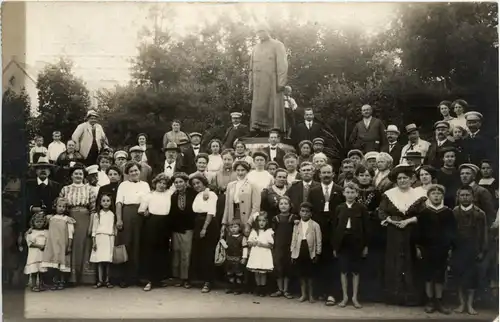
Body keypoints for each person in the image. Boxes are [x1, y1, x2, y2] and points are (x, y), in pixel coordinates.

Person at [378, 164, 426, 306]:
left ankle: (411, 297)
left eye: (405, 178)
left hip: (412, 232)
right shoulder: (389, 194)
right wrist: (390, 220)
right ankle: (394, 296)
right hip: (393, 232)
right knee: (394, 260)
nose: (402, 181)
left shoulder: (418, 195)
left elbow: (423, 215)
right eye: (399, 178)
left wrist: (409, 221)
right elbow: (381, 211)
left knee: (410, 260)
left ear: (411, 179)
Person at [415, 184, 456, 314]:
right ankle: (430, 301)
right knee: (428, 275)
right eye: (433, 194)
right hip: (427, 248)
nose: (436, 196)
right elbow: (418, 232)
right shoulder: (424, 213)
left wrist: (450, 247)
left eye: (439, 194)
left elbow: (452, 232)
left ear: (442, 196)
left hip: (442, 249)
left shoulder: (448, 212)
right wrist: (418, 248)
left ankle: (439, 300)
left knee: (439, 275)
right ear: (429, 196)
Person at [307, 164, 344, 306]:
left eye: (329, 172)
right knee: (319, 261)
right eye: (324, 173)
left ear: (333, 174)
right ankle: (321, 291)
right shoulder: (314, 191)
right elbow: (309, 210)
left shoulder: (340, 191)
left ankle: (333, 293)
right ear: (319, 175)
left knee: (334, 263)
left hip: (335, 232)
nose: (326, 175)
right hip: (319, 231)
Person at [58, 163, 97, 285]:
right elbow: (60, 205)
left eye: (80, 173)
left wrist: (91, 226)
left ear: (84, 175)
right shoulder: (65, 189)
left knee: (85, 244)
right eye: (76, 173)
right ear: (71, 175)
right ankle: (71, 277)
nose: (78, 176)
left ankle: (85, 277)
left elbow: (93, 209)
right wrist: (65, 218)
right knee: (71, 245)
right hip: (70, 218)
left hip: (85, 218)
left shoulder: (89, 189)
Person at [332, 183, 369, 309]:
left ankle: (354, 297)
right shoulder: (339, 208)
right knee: (343, 270)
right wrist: (335, 247)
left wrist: (365, 246)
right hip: (342, 243)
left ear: (357, 194)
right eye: (347, 192)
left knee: (355, 271)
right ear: (344, 193)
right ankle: (344, 297)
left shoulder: (361, 208)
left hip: (357, 243)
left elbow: (366, 229)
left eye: (353, 192)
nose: (350, 195)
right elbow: (335, 228)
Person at [451, 186, 488, 316]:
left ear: (472, 197)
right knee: (459, 277)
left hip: (473, 249)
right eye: (462, 195)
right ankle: (461, 304)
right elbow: (450, 232)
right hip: (458, 249)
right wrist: (451, 249)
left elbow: (484, 233)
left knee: (472, 278)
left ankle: (470, 305)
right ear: (458, 197)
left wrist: (482, 251)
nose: (465, 197)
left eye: (467, 195)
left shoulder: (480, 213)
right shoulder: (454, 212)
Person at [114, 161, 151, 287]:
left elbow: (148, 200)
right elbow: (119, 203)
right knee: (127, 244)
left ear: (140, 172)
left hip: (141, 216)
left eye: (136, 170)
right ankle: (125, 277)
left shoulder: (145, 185)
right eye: (131, 171)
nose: (134, 173)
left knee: (140, 244)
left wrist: (147, 211)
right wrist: (119, 219)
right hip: (127, 214)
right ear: (127, 174)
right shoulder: (123, 185)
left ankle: (139, 277)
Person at [249, 25, 288, 134]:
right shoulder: (255, 48)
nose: (260, 34)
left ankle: (274, 128)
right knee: (257, 107)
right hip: (258, 83)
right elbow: (251, 69)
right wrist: (250, 85)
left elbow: (282, 64)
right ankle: (257, 128)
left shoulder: (277, 45)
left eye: (262, 31)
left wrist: (281, 82)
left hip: (272, 81)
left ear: (268, 31)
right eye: (258, 32)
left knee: (273, 106)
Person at [138, 173, 172, 291]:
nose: (162, 185)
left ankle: (159, 279)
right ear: (155, 183)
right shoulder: (149, 195)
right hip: (152, 223)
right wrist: (146, 212)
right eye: (160, 183)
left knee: (162, 251)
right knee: (151, 251)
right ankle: (150, 281)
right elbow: (141, 210)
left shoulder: (169, 194)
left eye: (164, 184)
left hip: (165, 223)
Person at [354, 165, 383, 302]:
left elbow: (380, 210)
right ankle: (356, 292)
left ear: (372, 177)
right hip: (356, 227)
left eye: (367, 175)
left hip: (372, 227)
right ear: (357, 177)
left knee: (371, 261)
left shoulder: (377, 193)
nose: (364, 178)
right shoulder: (352, 191)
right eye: (361, 175)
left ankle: (370, 293)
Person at [189, 174, 218, 293]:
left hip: (208, 224)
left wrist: (205, 228)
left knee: (208, 253)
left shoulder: (211, 194)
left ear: (204, 182)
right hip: (198, 223)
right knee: (199, 251)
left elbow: (211, 212)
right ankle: (200, 279)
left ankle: (209, 281)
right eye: (194, 184)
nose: (196, 186)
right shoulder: (198, 195)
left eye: (198, 183)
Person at [169, 172, 197, 288]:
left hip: (188, 228)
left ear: (186, 182)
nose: (178, 184)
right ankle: (177, 277)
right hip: (176, 229)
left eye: (181, 182)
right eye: (176, 182)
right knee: (176, 252)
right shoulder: (173, 195)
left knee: (186, 253)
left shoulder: (193, 194)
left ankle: (186, 278)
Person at [41, 197, 75, 290]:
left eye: (64, 206)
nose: (61, 208)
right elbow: (45, 229)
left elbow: (70, 234)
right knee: (54, 263)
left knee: (61, 264)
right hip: (52, 244)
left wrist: (69, 245)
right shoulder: (51, 218)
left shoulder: (67, 219)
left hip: (62, 244)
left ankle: (62, 281)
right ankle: (55, 281)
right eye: (59, 206)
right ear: (55, 207)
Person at [291, 202, 322, 303]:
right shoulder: (297, 225)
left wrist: (317, 253)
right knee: (302, 275)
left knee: (310, 276)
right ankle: (303, 294)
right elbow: (294, 239)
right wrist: (292, 252)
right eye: (302, 211)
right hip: (300, 250)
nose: (304, 214)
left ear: (311, 214)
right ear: (299, 212)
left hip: (310, 251)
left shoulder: (315, 225)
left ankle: (311, 295)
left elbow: (318, 240)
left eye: (307, 212)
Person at [222, 161, 261, 237]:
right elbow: (227, 206)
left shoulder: (253, 185)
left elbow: (256, 207)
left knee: (245, 240)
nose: (240, 173)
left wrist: (249, 223)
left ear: (247, 171)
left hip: (246, 216)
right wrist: (224, 223)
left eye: (243, 170)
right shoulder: (230, 185)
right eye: (238, 170)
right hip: (233, 214)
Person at [270, 196, 296, 299]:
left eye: (286, 204)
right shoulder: (275, 218)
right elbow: (272, 232)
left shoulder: (293, 218)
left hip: (289, 246)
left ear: (290, 206)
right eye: (281, 204)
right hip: (278, 246)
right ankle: (279, 289)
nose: (283, 206)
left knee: (288, 267)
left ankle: (286, 290)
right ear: (278, 206)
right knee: (279, 267)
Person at [25, 157, 61, 230]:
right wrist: (31, 208)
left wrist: (51, 213)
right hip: (30, 222)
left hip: (50, 221)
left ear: (50, 171)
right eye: (40, 168)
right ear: (35, 171)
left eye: (46, 168)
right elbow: (22, 201)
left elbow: (58, 204)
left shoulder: (56, 186)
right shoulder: (28, 184)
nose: (43, 170)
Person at [90, 192, 116, 289]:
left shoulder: (112, 214)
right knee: (100, 261)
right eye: (103, 201)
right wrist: (94, 242)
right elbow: (94, 229)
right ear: (100, 202)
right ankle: (100, 280)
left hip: (109, 238)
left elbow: (113, 228)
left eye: (108, 201)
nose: (105, 203)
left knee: (108, 261)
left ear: (110, 202)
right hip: (99, 238)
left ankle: (107, 280)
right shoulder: (97, 215)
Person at [246, 212, 274, 297]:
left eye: (263, 221)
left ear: (267, 222)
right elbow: (249, 242)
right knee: (256, 272)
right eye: (259, 221)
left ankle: (263, 288)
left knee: (263, 272)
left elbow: (271, 245)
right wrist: (252, 243)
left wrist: (262, 244)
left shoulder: (269, 231)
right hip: (256, 254)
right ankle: (258, 287)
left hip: (264, 254)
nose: (261, 223)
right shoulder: (254, 231)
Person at [24, 213, 48, 292]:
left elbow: (48, 241)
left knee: (41, 271)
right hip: (34, 254)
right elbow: (30, 244)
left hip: (42, 254)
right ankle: (33, 285)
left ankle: (41, 284)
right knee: (34, 271)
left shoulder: (46, 232)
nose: (39, 223)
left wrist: (45, 246)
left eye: (41, 222)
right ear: (33, 222)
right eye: (37, 222)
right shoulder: (31, 232)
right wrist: (39, 246)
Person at [223, 219, 248, 295]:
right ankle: (231, 287)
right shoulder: (228, 237)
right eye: (231, 227)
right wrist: (222, 242)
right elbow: (227, 247)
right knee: (230, 273)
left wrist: (244, 257)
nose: (233, 229)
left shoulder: (242, 238)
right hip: (229, 258)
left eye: (235, 227)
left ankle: (238, 288)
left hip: (238, 259)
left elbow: (245, 248)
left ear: (240, 228)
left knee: (238, 274)